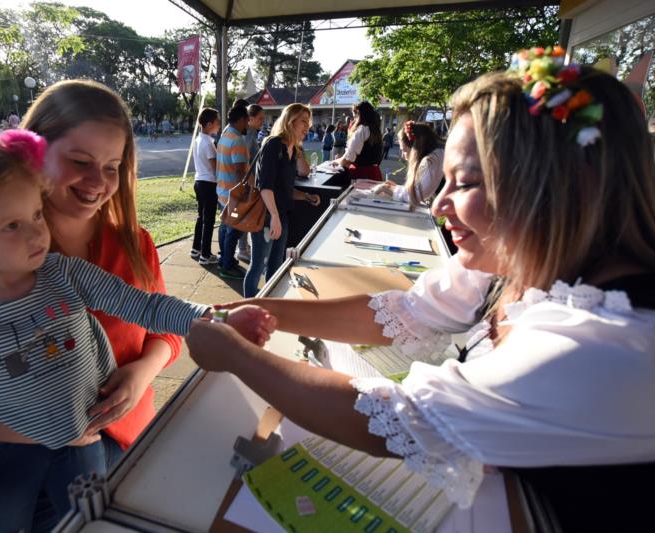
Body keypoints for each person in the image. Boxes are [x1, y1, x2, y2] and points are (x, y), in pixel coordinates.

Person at [187, 49, 655, 523]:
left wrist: (236, 355)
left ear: (554, 188)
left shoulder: (606, 342)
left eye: (467, 182)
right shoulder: (522, 262)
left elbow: (393, 420)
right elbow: (405, 310)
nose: (440, 204)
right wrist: (268, 310)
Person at [0, 80, 263, 525]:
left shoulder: (130, 244)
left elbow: (158, 320)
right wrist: (19, 424)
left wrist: (142, 373)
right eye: (79, 161)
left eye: (112, 165)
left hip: (117, 445)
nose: (98, 182)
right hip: (4, 466)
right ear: (33, 155)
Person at [243, 103, 320, 298]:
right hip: (266, 215)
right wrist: (275, 216)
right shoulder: (273, 144)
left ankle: (269, 304)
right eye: (303, 121)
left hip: (280, 215)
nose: (307, 127)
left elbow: (285, 188)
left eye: (308, 123)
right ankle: (248, 309)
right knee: (258, 264)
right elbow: (265, 186)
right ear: (290, 121)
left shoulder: (292, 149)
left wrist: (306, 196)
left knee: (276, 265)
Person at [215, 105, 250, 280]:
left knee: (224, 228)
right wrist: (242, 194)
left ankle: (224, 259)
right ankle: (227, 266)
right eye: (247, 120)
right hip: (233, 194)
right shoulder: (237, 140)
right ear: (241, 119)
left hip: (222, 191)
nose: (248, 124)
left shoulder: (224, 136)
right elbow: (240, 171)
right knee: (233, 231)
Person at [378, 121, 444, 207]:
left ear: (415, 148)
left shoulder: (430, 161)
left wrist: (388, 190)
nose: (403, 155)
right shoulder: (436, 155)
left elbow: (416, 196)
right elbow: (418, 190)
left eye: (404, 150)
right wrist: (396, 188)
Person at [235, 104, 266, 264]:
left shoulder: (252, 135)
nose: (263, 121)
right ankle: (242, 249)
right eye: (260, 118)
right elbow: (244, 165)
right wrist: (251, 186)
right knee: (244, 217)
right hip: (247, 184)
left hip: (250, 183)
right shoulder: (247, 137)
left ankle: (243, 248)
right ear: (250, 118)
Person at [190, 108, 221, 265]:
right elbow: (215, 168)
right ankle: (206, 255)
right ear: (209, 124)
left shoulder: (198, 139)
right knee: (208, 220)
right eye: (217, 122)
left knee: (201, 217)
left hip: (198, 182)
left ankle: (196, 248)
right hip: (208, 184)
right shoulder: (209, 143)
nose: (219, 125)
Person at [332, 101, 383, 181]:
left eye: (355, 115)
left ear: (359, 114)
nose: (354, 119)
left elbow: (349, 158)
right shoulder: (375, 130)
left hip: (363, 175)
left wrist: (336, 161)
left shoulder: (363, 129)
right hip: (374, 173)